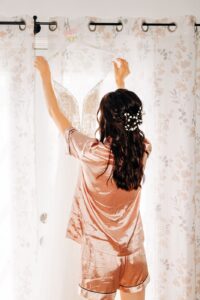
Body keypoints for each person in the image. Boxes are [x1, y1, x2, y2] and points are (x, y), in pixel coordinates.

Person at [34, 56, 152, 300]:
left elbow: (55, 114)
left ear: (106, 120)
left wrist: (45, 76)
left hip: (101, 257)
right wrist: (120, 83)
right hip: (133, 251)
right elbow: (126, 125)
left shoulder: (92, 152)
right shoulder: (143, 149)